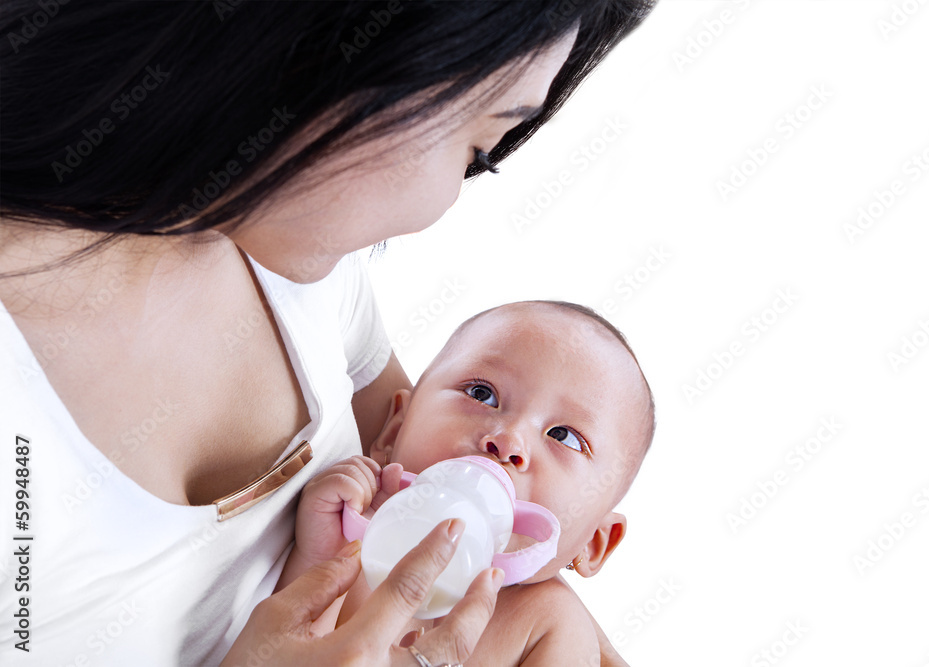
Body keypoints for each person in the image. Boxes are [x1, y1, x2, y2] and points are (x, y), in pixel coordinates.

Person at [0, 1, 654, 664]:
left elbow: (477, 516)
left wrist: (555, 618)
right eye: (473, 148)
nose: (444, 202)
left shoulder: (297, 265)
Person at [277, 300, 656, 666]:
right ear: (393, 433)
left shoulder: (550, 628)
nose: (507, 440)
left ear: (594, 543)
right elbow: (279, 653)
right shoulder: (353, 551)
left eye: (563, 436)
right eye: (481, 394)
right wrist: (317, 559)